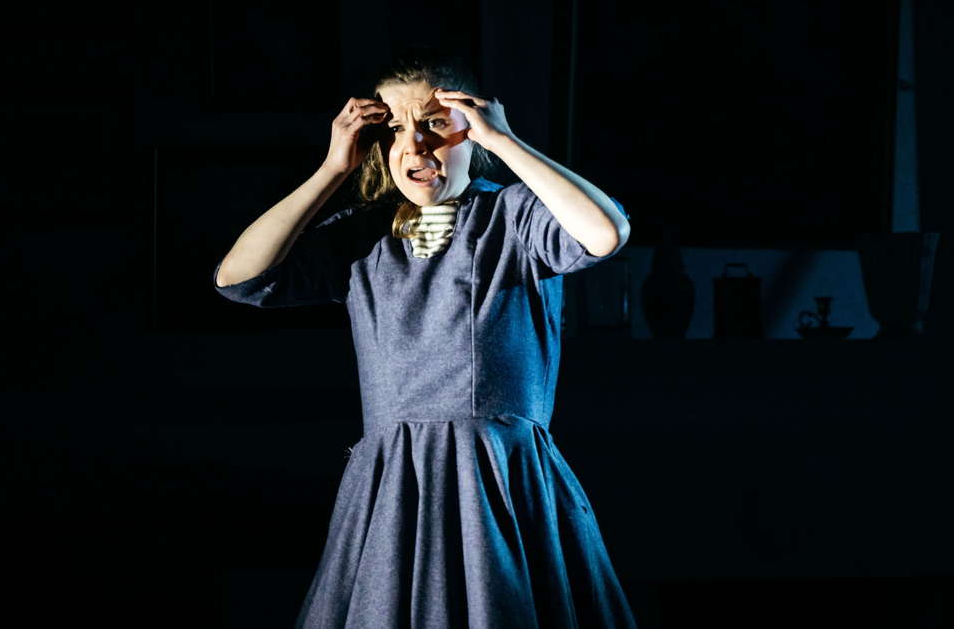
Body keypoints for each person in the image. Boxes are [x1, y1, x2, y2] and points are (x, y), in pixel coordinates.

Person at [213, 47, 637, 628]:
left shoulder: (514, 218)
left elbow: (606, 232)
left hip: (500, 478)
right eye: (395, 129)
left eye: (435, 124)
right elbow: (240, 280)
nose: (414, 145)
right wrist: (333, 169)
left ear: (473, 134)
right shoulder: (365, 236)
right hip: (395, 486)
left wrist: (506, 142)